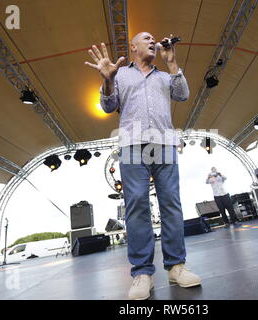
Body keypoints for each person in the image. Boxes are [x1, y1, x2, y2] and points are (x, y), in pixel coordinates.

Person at [85, 32, 200, 300]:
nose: (152, 41)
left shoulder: (164, 77)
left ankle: (176, 266)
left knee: (171, 202)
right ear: (134, 47)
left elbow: (182, 95)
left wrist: (172, 63)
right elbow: (107, 106)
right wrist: (107, 81)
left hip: (164, 144)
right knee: (136, 205)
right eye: (145, 38)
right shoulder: (121, 75)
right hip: (132, 144)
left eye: (153, 39)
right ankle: (142, 273)